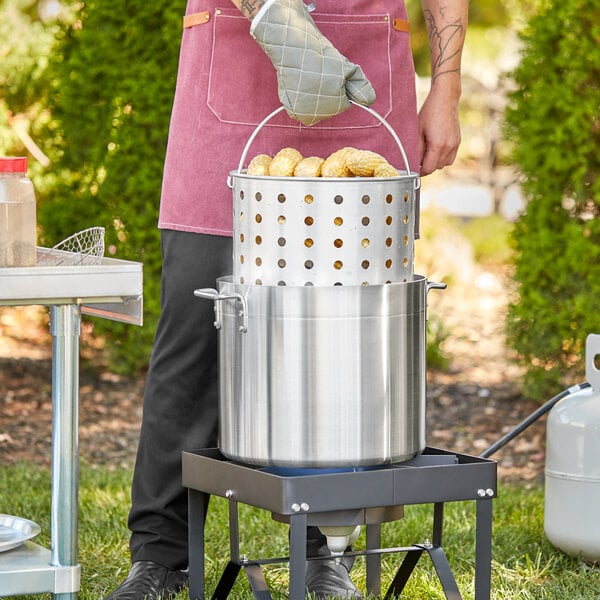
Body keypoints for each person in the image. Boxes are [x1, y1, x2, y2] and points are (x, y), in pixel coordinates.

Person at [105, 0, 467, 597]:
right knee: (196, 327)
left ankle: (328, 550)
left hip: (364, 73)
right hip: (234, 63)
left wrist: (445, 91)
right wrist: (279, 21)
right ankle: (161, 557)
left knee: (342, 336)